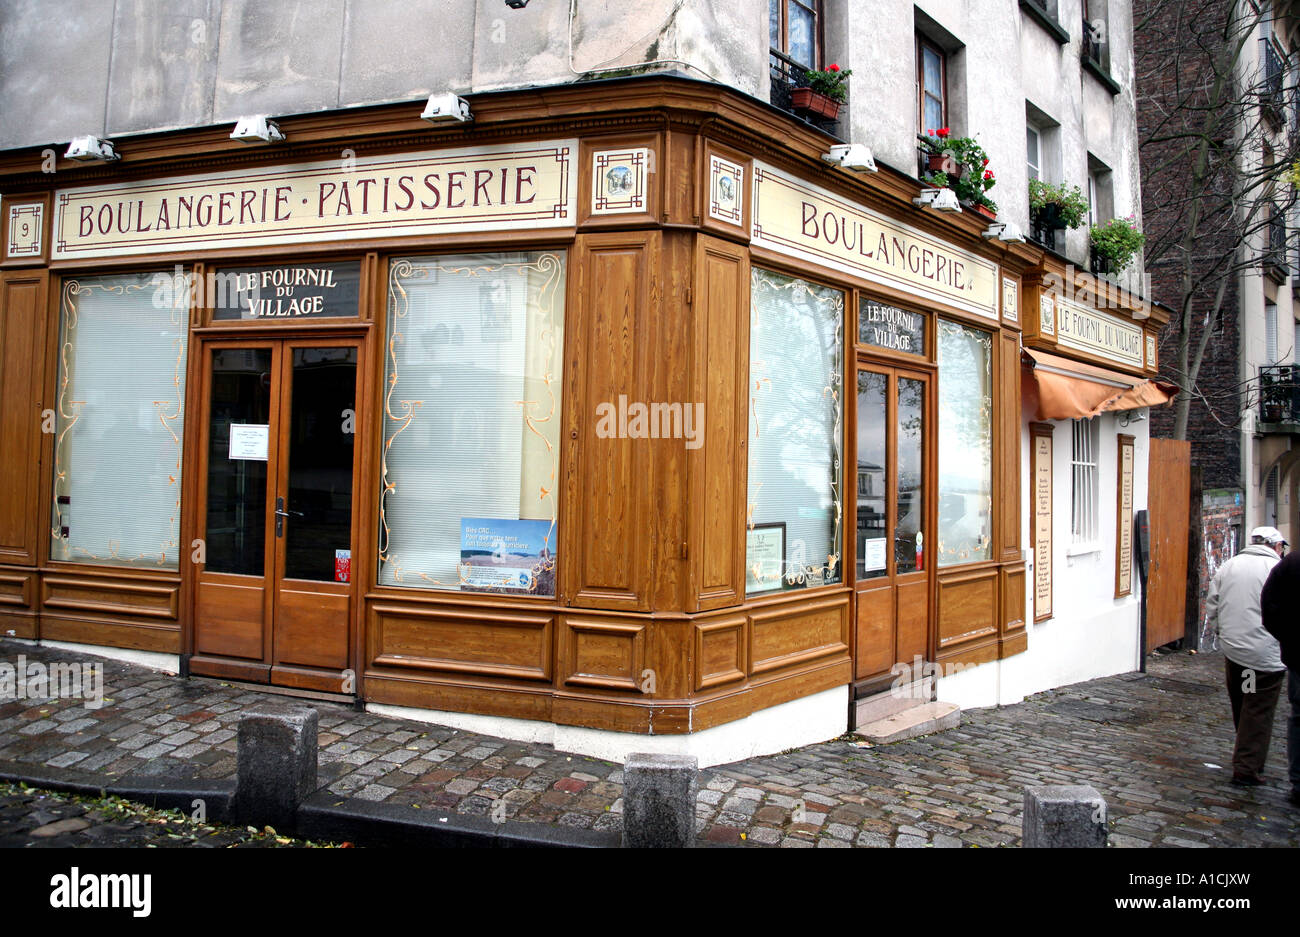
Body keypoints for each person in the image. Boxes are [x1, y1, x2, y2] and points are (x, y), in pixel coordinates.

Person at [1205, 526, 1288, 786]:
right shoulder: (1276, 569)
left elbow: (1213, 604)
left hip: (1236, 651)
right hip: (1264, 653)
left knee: (1244, 701)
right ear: (1276, 546)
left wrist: (1222, 632)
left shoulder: (1230, 565)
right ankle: (1246, 766)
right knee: (1257, 709)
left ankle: (1246, 755)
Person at [1261, 536, 1300, 806]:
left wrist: (1289, 640)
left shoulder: (1291, 564)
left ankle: (1299, 782)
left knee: (1299, 718)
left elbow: (1270, 608)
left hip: (1298, 658)